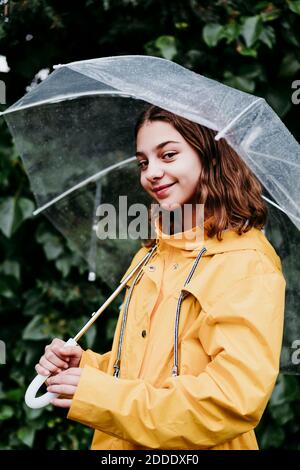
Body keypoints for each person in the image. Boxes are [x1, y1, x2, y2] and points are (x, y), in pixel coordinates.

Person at [36, 105, 286, 450]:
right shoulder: (152, 253)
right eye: (143, 162)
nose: (151, 172)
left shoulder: (245, 264)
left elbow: (230, 401)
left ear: (210, 156)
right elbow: (149, 368)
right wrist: (89, 369)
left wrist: (100, 395)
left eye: (168, 155)